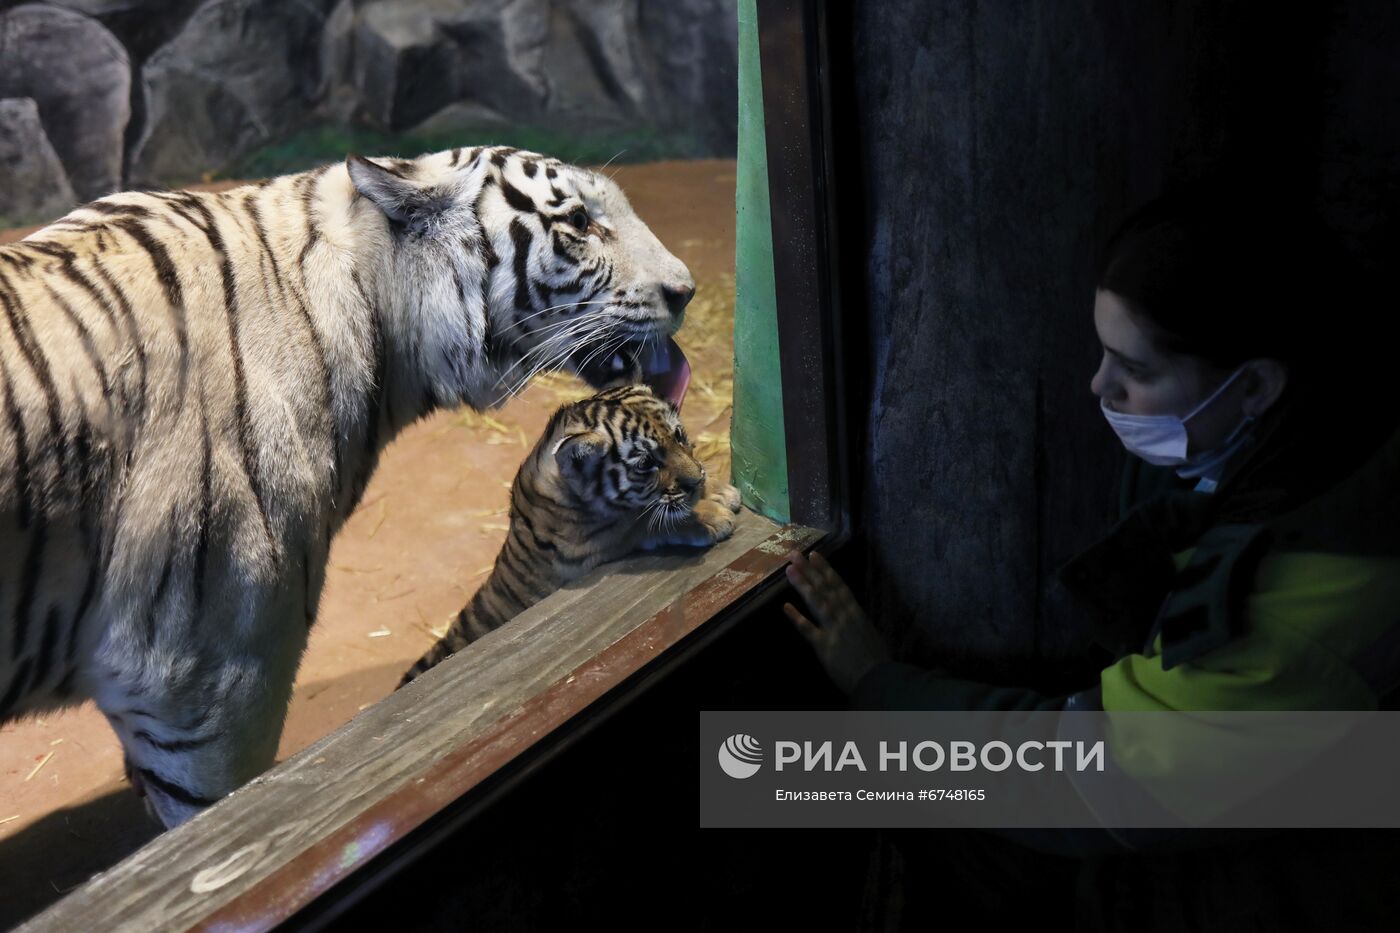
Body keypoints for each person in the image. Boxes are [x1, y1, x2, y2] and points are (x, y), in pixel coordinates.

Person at [782, 176, 1400, 929]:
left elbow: (1100, 782)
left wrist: (881, 690)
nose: (1096, 384)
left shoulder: (1301, 591)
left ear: (1256, 386)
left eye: (1135, 371)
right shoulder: (1329, 434)